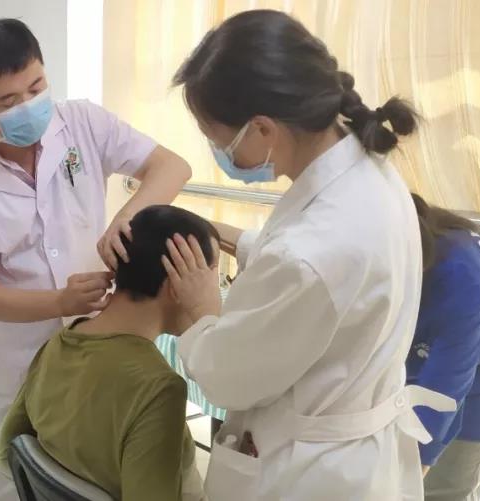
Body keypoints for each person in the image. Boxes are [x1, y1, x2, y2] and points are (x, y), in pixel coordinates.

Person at [161, 9, 455, 500]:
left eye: (215, 138)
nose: (217, 150)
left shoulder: (312, 252)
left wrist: (201, 309)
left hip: (312, 474)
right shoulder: (370, 172)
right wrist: (220, 233)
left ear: (262, 129)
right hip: (359, 453)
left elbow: (228, 376)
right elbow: (311, 274)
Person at [0, 18, 193, 500]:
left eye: (36, 88)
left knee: (92, 462)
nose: (29, 107)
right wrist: (61, 301)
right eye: (8, 102)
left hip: (93, 344)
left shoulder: (83, 123)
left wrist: (127, 217)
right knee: (7, 470)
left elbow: (172, 167)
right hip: (16, 356)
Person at [0, 205, 209, 500]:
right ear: (175, 284)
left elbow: (7, 453)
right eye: (207, 280)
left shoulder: (59, 343)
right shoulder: (159, 388)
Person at [407, 194, 480, 501]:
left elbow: (447, 383)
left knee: (443, 489)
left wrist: (414, 467)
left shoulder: (460, 269)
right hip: (424, 368)